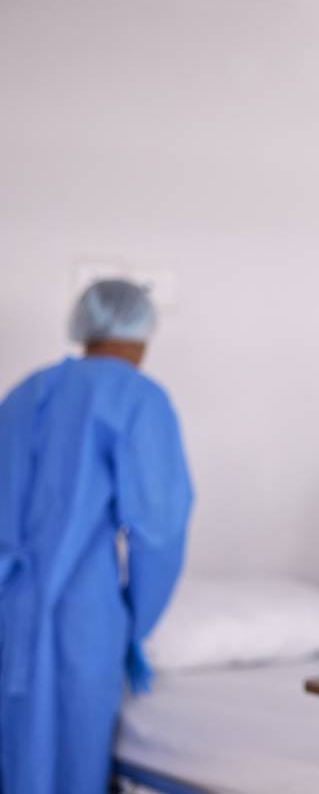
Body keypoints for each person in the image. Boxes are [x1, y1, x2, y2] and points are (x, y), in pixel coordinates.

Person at [0, 279, 193, 794]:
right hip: (82, 613)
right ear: (144, 332)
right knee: (73, 766)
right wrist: (133, 621)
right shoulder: (138, 400)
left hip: (9, 611)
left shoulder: (23, 395)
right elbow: (160, 530)